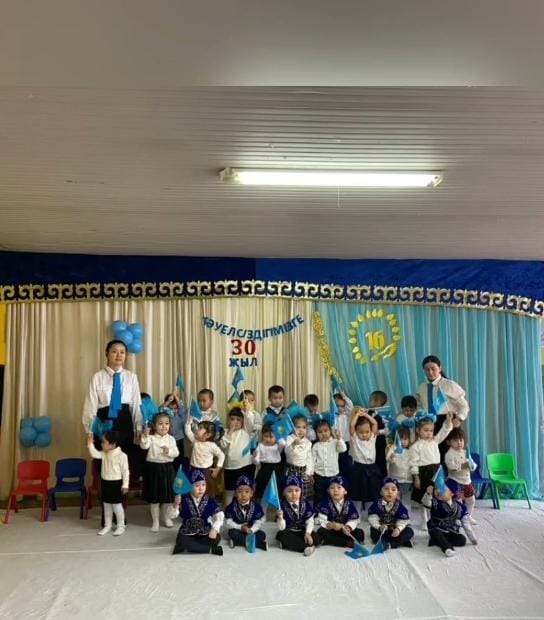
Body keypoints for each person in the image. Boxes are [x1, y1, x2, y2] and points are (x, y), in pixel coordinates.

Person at [82, 339, 143, 477]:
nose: (119, 355)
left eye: (122, 352)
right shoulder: (97, 377)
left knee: (125, 462)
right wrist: (89, 430)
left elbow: (136, 404)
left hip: (124, 421)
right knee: (106, 464)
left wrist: (138, 427)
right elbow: (90, 404)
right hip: (104, 421)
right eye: (114, 351)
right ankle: (106, 490)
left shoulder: (131, 377)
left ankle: (123, 490)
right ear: (107, 354)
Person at [416, 355, 469, 461]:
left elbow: (464, 406)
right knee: (433, 455)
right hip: (429, 424)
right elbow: (419, 406)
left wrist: (459, 419)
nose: (430, 372)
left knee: (451, 455)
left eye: (433, 369)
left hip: (448, 421)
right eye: (427, 369)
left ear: (440, 368)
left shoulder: (449, 385)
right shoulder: (421, 388)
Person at [410, 413, 453, 528]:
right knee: (424, 497)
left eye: (431, 430)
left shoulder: (434, 441)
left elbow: (444, 432)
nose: (429, 433)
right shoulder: (415, 446)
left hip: (437, 471)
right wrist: (416, 477)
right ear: (418, 431)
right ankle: (424, 519)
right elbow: (413, 463)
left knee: (440, 493)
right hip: (424, 473)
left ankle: (443, 515)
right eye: (426, 430)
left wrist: (448, 421)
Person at [140, 412, 179, 532]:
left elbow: (176, 453)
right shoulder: (151, 438)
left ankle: (166, 517)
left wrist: (169, 451)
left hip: (167, 469)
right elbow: (144, 446)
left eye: (166, 423)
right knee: (155, 498)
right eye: (160, 424)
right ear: (154, 425)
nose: (164, 426)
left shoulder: (171, 439)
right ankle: (155, 521)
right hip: (154, 470)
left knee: (167, 497)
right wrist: (145, 436)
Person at [172, 469, 224, 556]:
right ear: (190, 486)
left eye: (203, 485)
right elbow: (173, 515)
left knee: (216, 538)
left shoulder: (209, 500)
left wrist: (215, 529)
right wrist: (175, 505)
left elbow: (220, 515)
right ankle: (208, 549)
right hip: (188, 531)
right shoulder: (184, 500)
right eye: (197, 486)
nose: (201, 488)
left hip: (205, 531)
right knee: (181, 540)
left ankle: (192, 547)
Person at [87, 430, 129, 536]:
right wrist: (90, 444)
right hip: (105, 482)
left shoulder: (122, 456)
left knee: (117, 506)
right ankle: (107, 525)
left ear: (113, 444)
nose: (101, 444)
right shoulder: (104, 454)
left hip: (116, 484)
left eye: (104, 442)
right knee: (106, 506)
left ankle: (121, 526)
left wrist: (125, 485)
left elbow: (126, 472)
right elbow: (94, 454)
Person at [422, 481, 477, 557]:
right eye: (436, 488)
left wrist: (473, 538)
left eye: (442, 489)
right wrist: (428, 493)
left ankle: (436, 541)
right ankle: (447, 548)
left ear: (452, 493)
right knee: (436, 532)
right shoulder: (435, 502)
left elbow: (465, 523)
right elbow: (426, 503)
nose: (438, 491)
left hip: (450, 530)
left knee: (462, 540)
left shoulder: (460, 507)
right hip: (436, 527)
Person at [275, 475, 321, 556]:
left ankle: (293, 545)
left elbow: (310, 521)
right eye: (289, 491)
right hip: (289, 531)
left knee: (317, 537)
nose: (294, 493)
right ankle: (306, 547)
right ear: (284, 493)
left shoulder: (305, 503)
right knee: (282, 535)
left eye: (297, 490)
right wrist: (280, 518)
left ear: (301, 491)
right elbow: (281, 528)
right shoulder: (281, 506)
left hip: (302, 531)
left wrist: (308, 533)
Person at [316, 475, 364, 548]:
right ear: (328, 491)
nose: (335, 490)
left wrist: (348, 527)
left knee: (360, 533)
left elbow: (354, 519)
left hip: (344, 530)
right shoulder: (325, 503)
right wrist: (330, 525)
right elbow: (322, 518)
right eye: (332, 488)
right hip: (331, 529)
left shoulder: (349, 504)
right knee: (321, 532)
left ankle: (336, 540)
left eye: (339, 487)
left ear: (345, 491)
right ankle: (346, 543)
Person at [349, 408, 382, 514]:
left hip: (371, 468)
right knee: (357, 493)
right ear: (356, 432)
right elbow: (352, 425)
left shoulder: (372, 437)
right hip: (358, 468)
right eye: (361, 432)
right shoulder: (355, 439)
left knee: (371, 492)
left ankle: (370, 513)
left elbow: (375, 423)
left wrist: (365, 415)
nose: (364, 434)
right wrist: (357, 415)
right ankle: (356, 514)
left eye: (367, 432)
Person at [220, 407, 255, 504]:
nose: (235, 422)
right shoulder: (225, 432)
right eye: (232, 419)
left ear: (243, 421)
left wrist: (247, 410)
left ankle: (245, 508)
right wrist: (230, 431)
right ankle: (229, 510)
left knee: (244, 489)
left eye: (238, 419)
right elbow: (223, 445)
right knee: (230, 491)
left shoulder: (246, 430)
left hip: (245, 466)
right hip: (229, 466)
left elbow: (250, 420)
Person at [367, 477, 414, 549]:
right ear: (381, 492)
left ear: (398, 493)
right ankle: (400, 542)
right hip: (382, 530)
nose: (390, 492)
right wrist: (379, 527)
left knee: (409, 531)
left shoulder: (399, 506)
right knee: (374, 533)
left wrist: (398, 529)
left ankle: (391, 544)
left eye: (393, 490)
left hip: (394, 530)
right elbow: (372, 517)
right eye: (386, 489)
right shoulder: (376, 504)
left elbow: (403, 520)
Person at [185, 416, 225, 498]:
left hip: (205, 472)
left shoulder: (212, 445)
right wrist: (188, 423)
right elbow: (188, 432)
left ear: (208, 435)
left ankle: (207, 504)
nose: (197, 430)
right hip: (193, 470)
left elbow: (222, 455)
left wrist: (218, 468)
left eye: (200, 428)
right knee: (194, 492)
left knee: (206, 492)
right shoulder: (195, 440)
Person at [224, 475, 267, 551]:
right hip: (238, 530)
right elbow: (228, 522)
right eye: (240, 492)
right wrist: (240, 527)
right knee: (232, 533)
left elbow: (259, 522)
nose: (243, 494)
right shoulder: (231, 507)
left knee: (262, 535)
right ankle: (258, 544)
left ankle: (237, 542)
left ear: (251, 493)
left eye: (247, 492)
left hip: (251, 531)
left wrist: (252, 530)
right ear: (235, 493)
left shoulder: (256, 507)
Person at [444, 427, 478, 524]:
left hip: (467, 481)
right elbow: (451, 467)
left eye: (461, 440)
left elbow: (471, 463)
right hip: (455, 481)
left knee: (471, 500)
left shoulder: (465, 451)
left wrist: (472, 466)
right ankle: (457, 518)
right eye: (455, 441)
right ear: (449, 442)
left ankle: (468, 516)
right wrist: (463, 466)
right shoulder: (449, 454)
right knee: (458, 501)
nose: (459, 443)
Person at [311, 419, 347, 507]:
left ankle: (333, 510)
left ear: (330, 431)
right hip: (319, 475)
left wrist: (339, 438)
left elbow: (343, 449)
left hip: (333, 474)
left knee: (333, 494)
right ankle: (318, 511)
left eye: (326, 430)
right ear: (316, 434)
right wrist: (311, 473)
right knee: (319, 494)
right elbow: (312, 461)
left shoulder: (335, 442)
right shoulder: (316, 446)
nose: (323, 433)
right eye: (320, 432)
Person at [284, 415, 314, 500]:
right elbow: (287, 453)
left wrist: (309, 473)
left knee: (303, 494)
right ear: (292, 427)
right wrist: (293, 444)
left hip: (303, 472)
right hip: (291, 470)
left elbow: (309, 459)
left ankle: (303, 506)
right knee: (291, 493)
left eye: (304, 427)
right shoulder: (289, 438)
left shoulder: (308, 442)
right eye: (298, 427)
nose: (301, 430)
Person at [252, 425, 285, 500]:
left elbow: (283, 443)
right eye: (265, 436)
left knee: (276, 489)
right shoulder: (260, 445)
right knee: (263, 489)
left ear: (276, 437)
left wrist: (279, 430)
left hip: (276, 470)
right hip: (264, 469)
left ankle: (277, 504)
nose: (268, 439)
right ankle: (261, 503)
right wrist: (254, 457)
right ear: (262, 436)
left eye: (271, 437)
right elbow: (256, 462)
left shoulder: (277, 446)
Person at [160, 392, 188, 473]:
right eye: (170, 408)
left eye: (175, 408)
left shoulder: (181, 416)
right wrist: (168, 401)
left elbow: (182, 408)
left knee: (179, 459)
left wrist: (176, 397)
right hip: (168, 440)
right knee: (168, 459)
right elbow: (160, 409)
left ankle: (178, 474)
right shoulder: (165, 417)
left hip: (179, 440)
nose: (173, 411)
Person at [386, 427, 413, 500]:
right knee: (394, 500)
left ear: (409, 440)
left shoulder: (411, 450)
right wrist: (392, 457)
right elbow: (388, 460)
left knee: (407, 501)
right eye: (400, 439)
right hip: (395, 480)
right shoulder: (393, 448)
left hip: (407, 481)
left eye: (405, 439)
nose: (402, 441)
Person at [368, 390, 389, 477]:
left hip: (380, 442)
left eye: (371, 400)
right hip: (371, 441)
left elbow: (388, 429)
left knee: (380, 460)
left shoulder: (384, 414)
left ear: (377, 402)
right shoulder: (368, 412)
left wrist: (379, 432)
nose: (369, 402)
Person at [334, 390, 354, 480]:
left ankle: (347, 483)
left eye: (342, 406)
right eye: (337, 406)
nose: (339, 408)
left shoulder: (347, 415)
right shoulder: (332, 416)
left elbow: (350, 406)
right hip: (335, 443)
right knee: (337, 464)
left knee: (347, 465)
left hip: (346, 443)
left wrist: (344, 396)